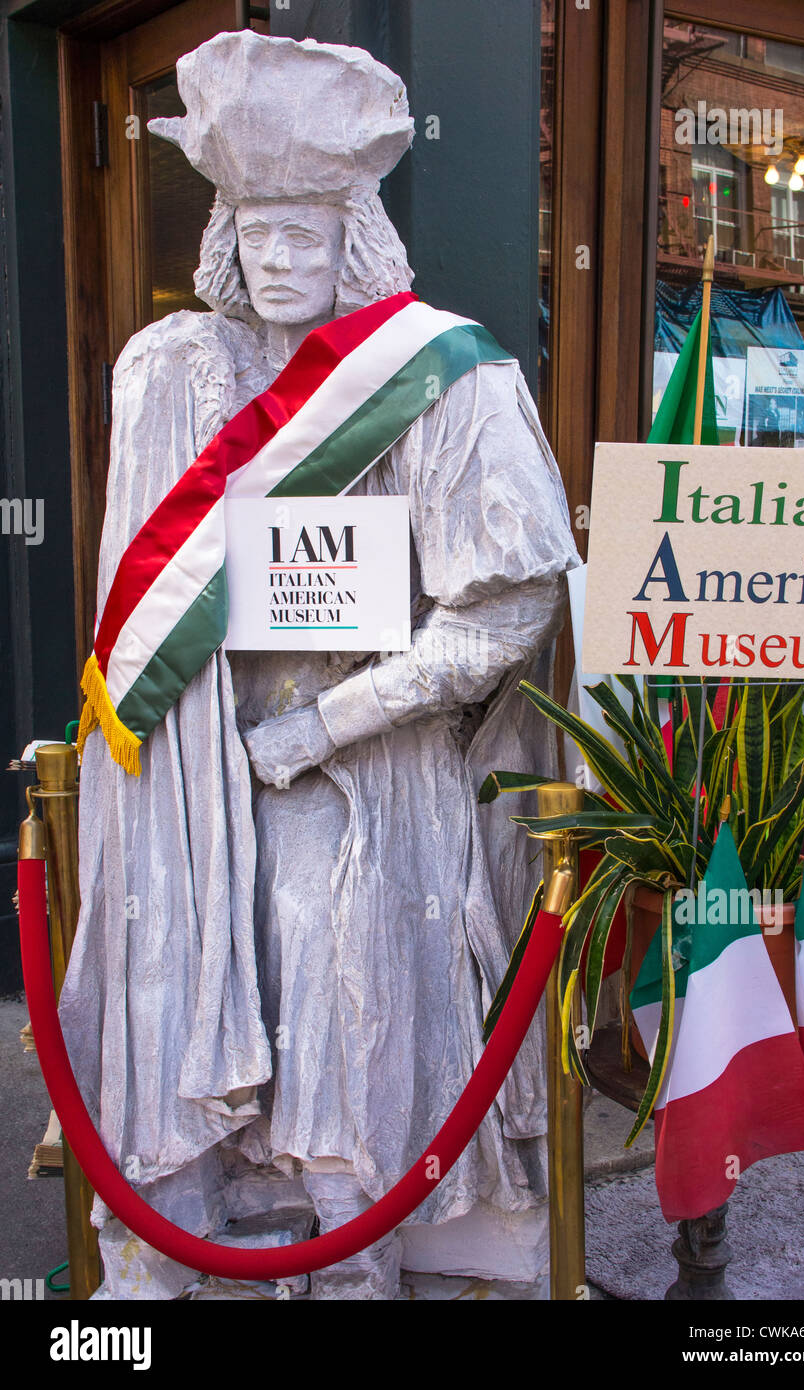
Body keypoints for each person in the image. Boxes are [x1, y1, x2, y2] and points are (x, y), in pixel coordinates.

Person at [61, 30, 578, 1300]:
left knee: (331, 979)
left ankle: (357, 1261)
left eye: (311, 232)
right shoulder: (169, 370)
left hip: (363, 764)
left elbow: (505, 613)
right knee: (187, 951)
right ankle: (208, 1234)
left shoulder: (449, 375)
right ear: (225, 233)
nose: (283, 260)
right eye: (258, 229)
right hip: (194, 764)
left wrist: (322, 729)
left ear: (358, 235)